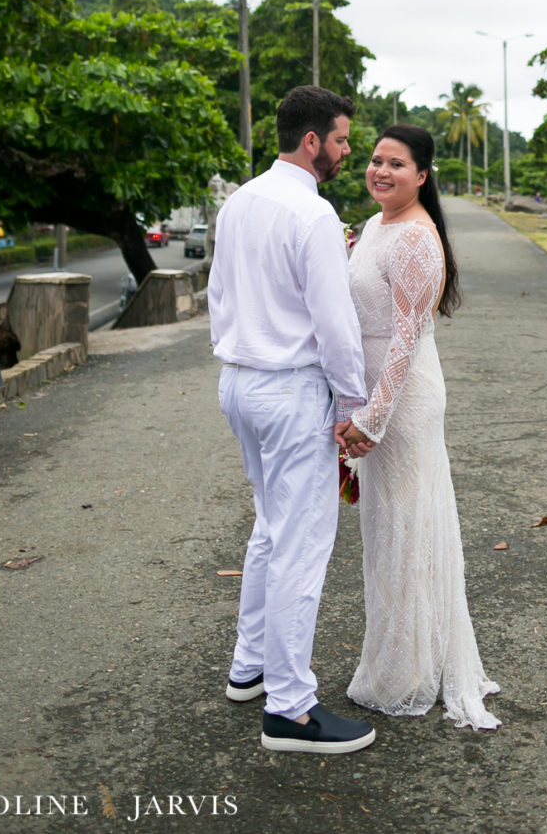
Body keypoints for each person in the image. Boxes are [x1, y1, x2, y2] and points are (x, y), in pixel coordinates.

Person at [208, 85, 376, 757]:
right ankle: (290, 707)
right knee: (301, 543)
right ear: (312, 141)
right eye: (339, 140)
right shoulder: (312, 214)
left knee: (270, 528)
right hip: (290, 389)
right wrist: (353, 406)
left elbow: (220, 294)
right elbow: (336, 327)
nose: (344, 152)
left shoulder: (239, 200)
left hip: (239, 382)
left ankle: (249, 666)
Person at [336, 124, 500, 731]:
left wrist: (371, 420)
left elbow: (405, 337)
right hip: (375, 392)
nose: (381, 171)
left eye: (396, 165)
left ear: (422, 176)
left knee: (406, 533)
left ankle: (406, 674)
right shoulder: (378, 225)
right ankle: (405, 660)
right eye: (375, 161)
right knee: (387, 534)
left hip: (401, 402)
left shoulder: (415, 239)